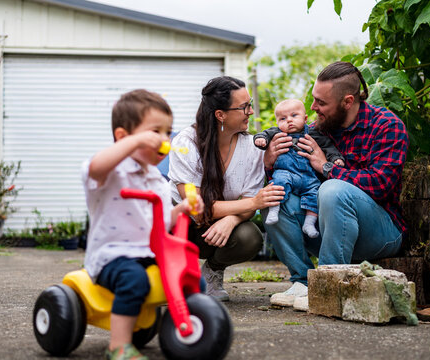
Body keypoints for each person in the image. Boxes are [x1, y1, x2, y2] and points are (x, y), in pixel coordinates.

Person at [262, 61, 409, 307]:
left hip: (380, 232)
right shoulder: (313, 131)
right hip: (329, 230)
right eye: (314, 99)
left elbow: (380, 185)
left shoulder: (386, 126)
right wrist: (270, 162)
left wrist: (326, 167)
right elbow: (292, 177)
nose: (313, 107)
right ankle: (303, 282)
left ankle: (327, 287)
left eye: (321, 103)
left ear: (348, 102)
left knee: (333, 189)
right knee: (273, 197)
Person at [81, 89, 204, 360]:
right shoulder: (111, 171)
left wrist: (182, 209)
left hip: (149, 253)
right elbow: (95, 168)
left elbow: (159, 221)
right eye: (155, 133)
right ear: (124, 137)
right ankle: (119, 345)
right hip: (113, 256)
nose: (164, 140)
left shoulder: (157, 180)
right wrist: (134, 142)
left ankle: (191, 329)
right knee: (134, 280)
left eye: (167, 132)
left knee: (193, 278)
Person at [169, 76, 285, 302]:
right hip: (180, 227)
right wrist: (253, 203)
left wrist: (231, 220)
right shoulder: (186, 143)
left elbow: (249, 203)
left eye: (250, 104)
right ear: (220, 115)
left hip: (216, 229)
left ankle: (212, 271)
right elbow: (195, 207)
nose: (250, 111)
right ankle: (168, 273)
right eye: (244, 107)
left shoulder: (252, 149)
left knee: (249, 236)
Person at [253, 99, 344, 238]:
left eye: (294, 116)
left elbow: (327, 147)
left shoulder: (314, 134)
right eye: (283, 118)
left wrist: (335, 159)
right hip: (286, 172)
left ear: (305, 118)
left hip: (309, 177)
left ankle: (309, 223)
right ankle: (274, 209)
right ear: (277, 123)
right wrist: (261, 140)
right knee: (278, 183)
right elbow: (264, 134)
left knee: (315, 194)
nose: (289, 120)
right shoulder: (277, 133)